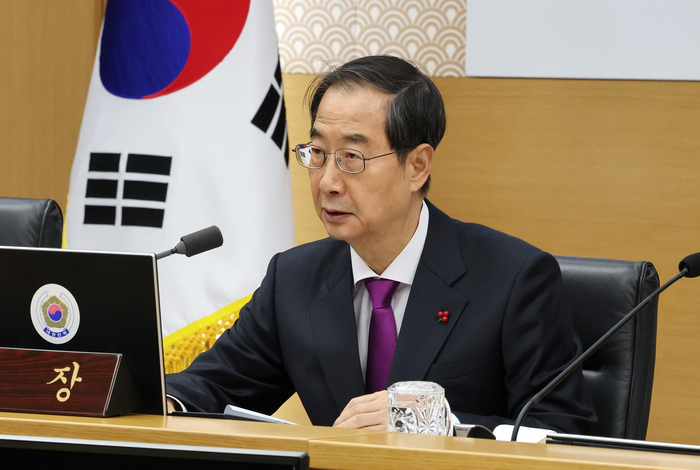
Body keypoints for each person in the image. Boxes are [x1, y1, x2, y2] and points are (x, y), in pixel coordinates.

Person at [166, 55, 596, 433]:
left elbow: (562, 431)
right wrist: (162, 398)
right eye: (317, 153)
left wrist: (434, 424)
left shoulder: (513, 280)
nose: (328, 182)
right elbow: (212, 385)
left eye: (351, 158)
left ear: (417, 166)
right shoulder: (294, 279)